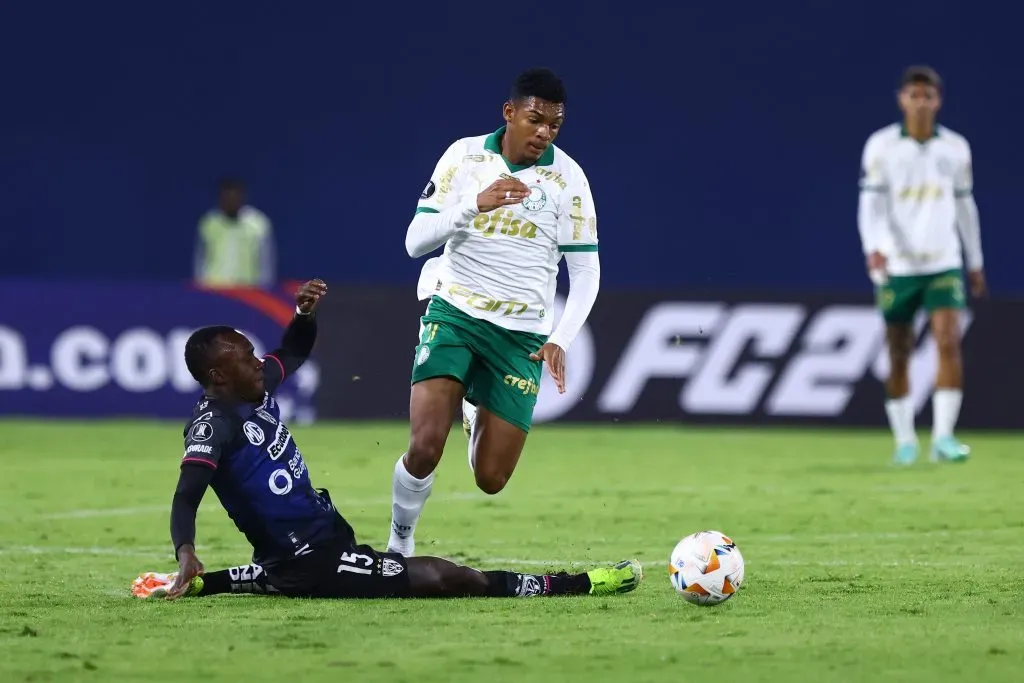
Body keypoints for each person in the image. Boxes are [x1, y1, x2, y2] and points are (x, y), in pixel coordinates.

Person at [130, 279, 641, 600]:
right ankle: (580, 584)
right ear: (218, 376)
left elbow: (295, 350)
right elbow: (186, 494)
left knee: (279, 573)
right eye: (244, 355)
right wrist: (185, 550)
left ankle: (206, 584)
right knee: (447, 578)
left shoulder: (257, 383)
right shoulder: (212, 425)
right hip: (311, 562)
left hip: (318, 542)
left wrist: (304, 315)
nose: (257, 358)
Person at [391, 67, 601, 557]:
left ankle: (473, 410)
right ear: (509, 113)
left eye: (554, 125)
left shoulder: (568, 180)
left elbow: (586, 273)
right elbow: (414, 242)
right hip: (456, 311)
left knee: (491, 479)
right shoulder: (464, 157)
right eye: (535, 120)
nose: (544, 132)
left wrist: (560, 339)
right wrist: (474, 205)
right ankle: (399, 545)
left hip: (521, 335)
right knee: (424, 447)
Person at [857, 66, 985, 466]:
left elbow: (965, 206)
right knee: (899, 351)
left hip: (943, 261)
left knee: (948, 341)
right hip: (898, 264)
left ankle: (944, 438)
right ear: (902, 99)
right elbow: (870, 204)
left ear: (938, 101)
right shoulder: (880, 146)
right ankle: (905, 440)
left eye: (928, 95)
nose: (921, 102)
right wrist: (873, 247)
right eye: (914, 95)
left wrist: (975, 260)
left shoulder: (956, 148)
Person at [194, 177, 276, 288]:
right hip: (215, 290)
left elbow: (266, 262)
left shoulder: (258, 224)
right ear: (220, 199)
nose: (231, 202)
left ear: (242, 198)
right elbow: (201, 259)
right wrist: (201, 287)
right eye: (227, 198)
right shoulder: (209, 223)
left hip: (248, 292)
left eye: (234, 198)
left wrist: (264, 289)